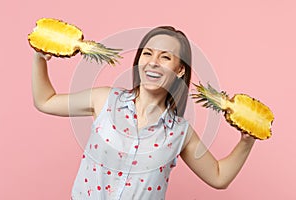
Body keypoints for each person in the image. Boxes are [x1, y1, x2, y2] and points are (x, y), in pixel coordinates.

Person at [32, 26, 255, 200]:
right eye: (147, 54)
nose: (153, 63)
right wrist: (40, 57)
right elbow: (46, 101)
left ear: (180, 70)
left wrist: (247, 140)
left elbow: (218, 177)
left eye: (165, 57)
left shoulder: (180, 132)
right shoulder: (104, 99)